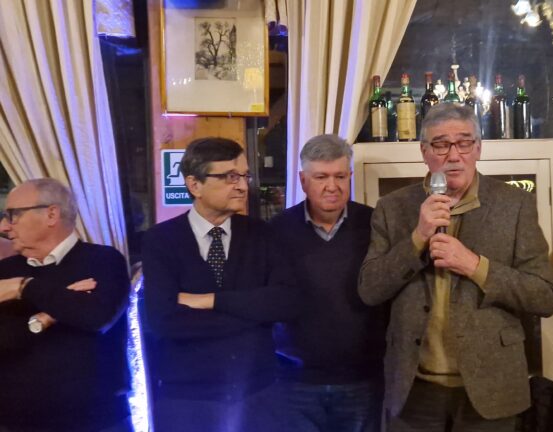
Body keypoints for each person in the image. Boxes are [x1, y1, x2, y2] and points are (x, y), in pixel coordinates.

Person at [358, 103, 553, 431]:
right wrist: (417, 238)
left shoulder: (514, 205)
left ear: (478, 149)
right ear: (424, 152)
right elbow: (370, 289)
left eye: (464, 143)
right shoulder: (392, 208)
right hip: (414, 391)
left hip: (491, 388)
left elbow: (544, 296)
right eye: (440, 144)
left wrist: (475, 266)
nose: (453, 155)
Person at [142, 137, 298, 432]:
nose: (242, 186)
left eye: (244, 176)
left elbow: (286, 302)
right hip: (187, 400)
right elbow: (164, 321)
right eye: (230, 177)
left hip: (257, 394)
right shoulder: (160, 241)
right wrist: (253, 313)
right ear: (194, 184)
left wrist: (211, 301)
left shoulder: (262, 234)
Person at [270, 134, 386, 432]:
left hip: (362, 380)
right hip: (296, 383)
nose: (332, 186)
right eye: (321, 177)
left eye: (340, 176)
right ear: (302, 180)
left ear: (350, 176)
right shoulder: (276, 231)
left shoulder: (375, 225)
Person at [0, 178, 132, 431]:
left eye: (13, 215)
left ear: (51, 214)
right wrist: (45, 318)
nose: (4, 226)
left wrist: (24, 287)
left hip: (97, 421)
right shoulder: (4, 271)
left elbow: (96, 317)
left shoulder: (104, 260)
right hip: (17, 422)